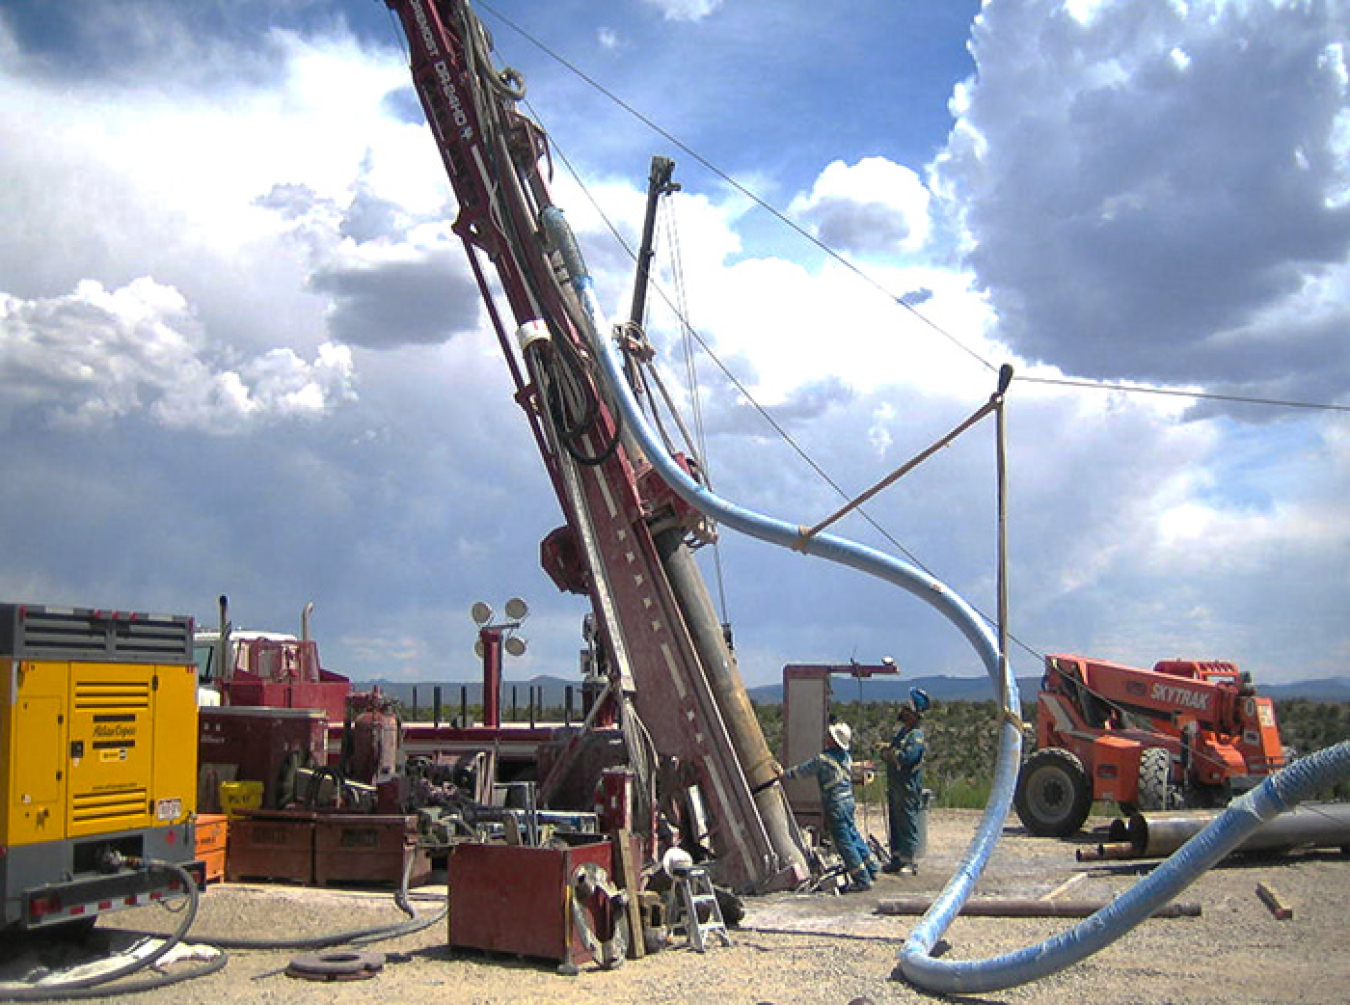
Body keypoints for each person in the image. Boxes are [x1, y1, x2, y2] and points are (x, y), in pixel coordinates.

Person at [780, 719, 878, 892]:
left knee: (844, 842)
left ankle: (862, 879)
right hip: (848, 801)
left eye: (829, 735)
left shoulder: (823, 760)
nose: (826, 737)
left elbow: (803, 770)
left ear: (833, 740)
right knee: (853, 834)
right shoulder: (846, 758)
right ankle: (871, 868)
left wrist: (783, 774)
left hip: (836, 804)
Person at [880, 688, 930, 874]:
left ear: (913, 714)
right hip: (896, 786)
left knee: (907, 823)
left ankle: (909, 860)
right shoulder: (903, 732)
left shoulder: (915, 736)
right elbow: (894, 748)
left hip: (907, 786)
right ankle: (897, 858)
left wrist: (890, 754)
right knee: (896, 822)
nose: (902, 711)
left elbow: (907, 757)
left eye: (906, 709)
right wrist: (886, 748)